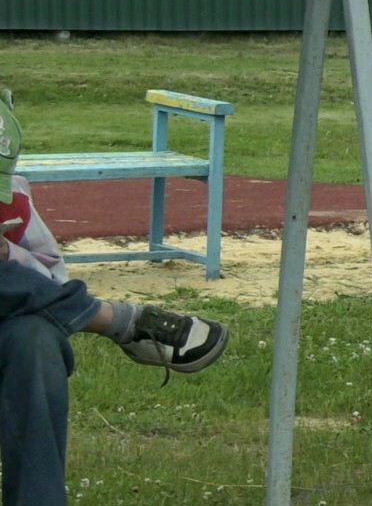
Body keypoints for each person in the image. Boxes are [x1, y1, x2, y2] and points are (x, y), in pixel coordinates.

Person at [0, 162, 230, 506]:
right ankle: (114, 320)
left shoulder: (9, 193)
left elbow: (52, 276)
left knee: (35, 340)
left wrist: (7, 253)